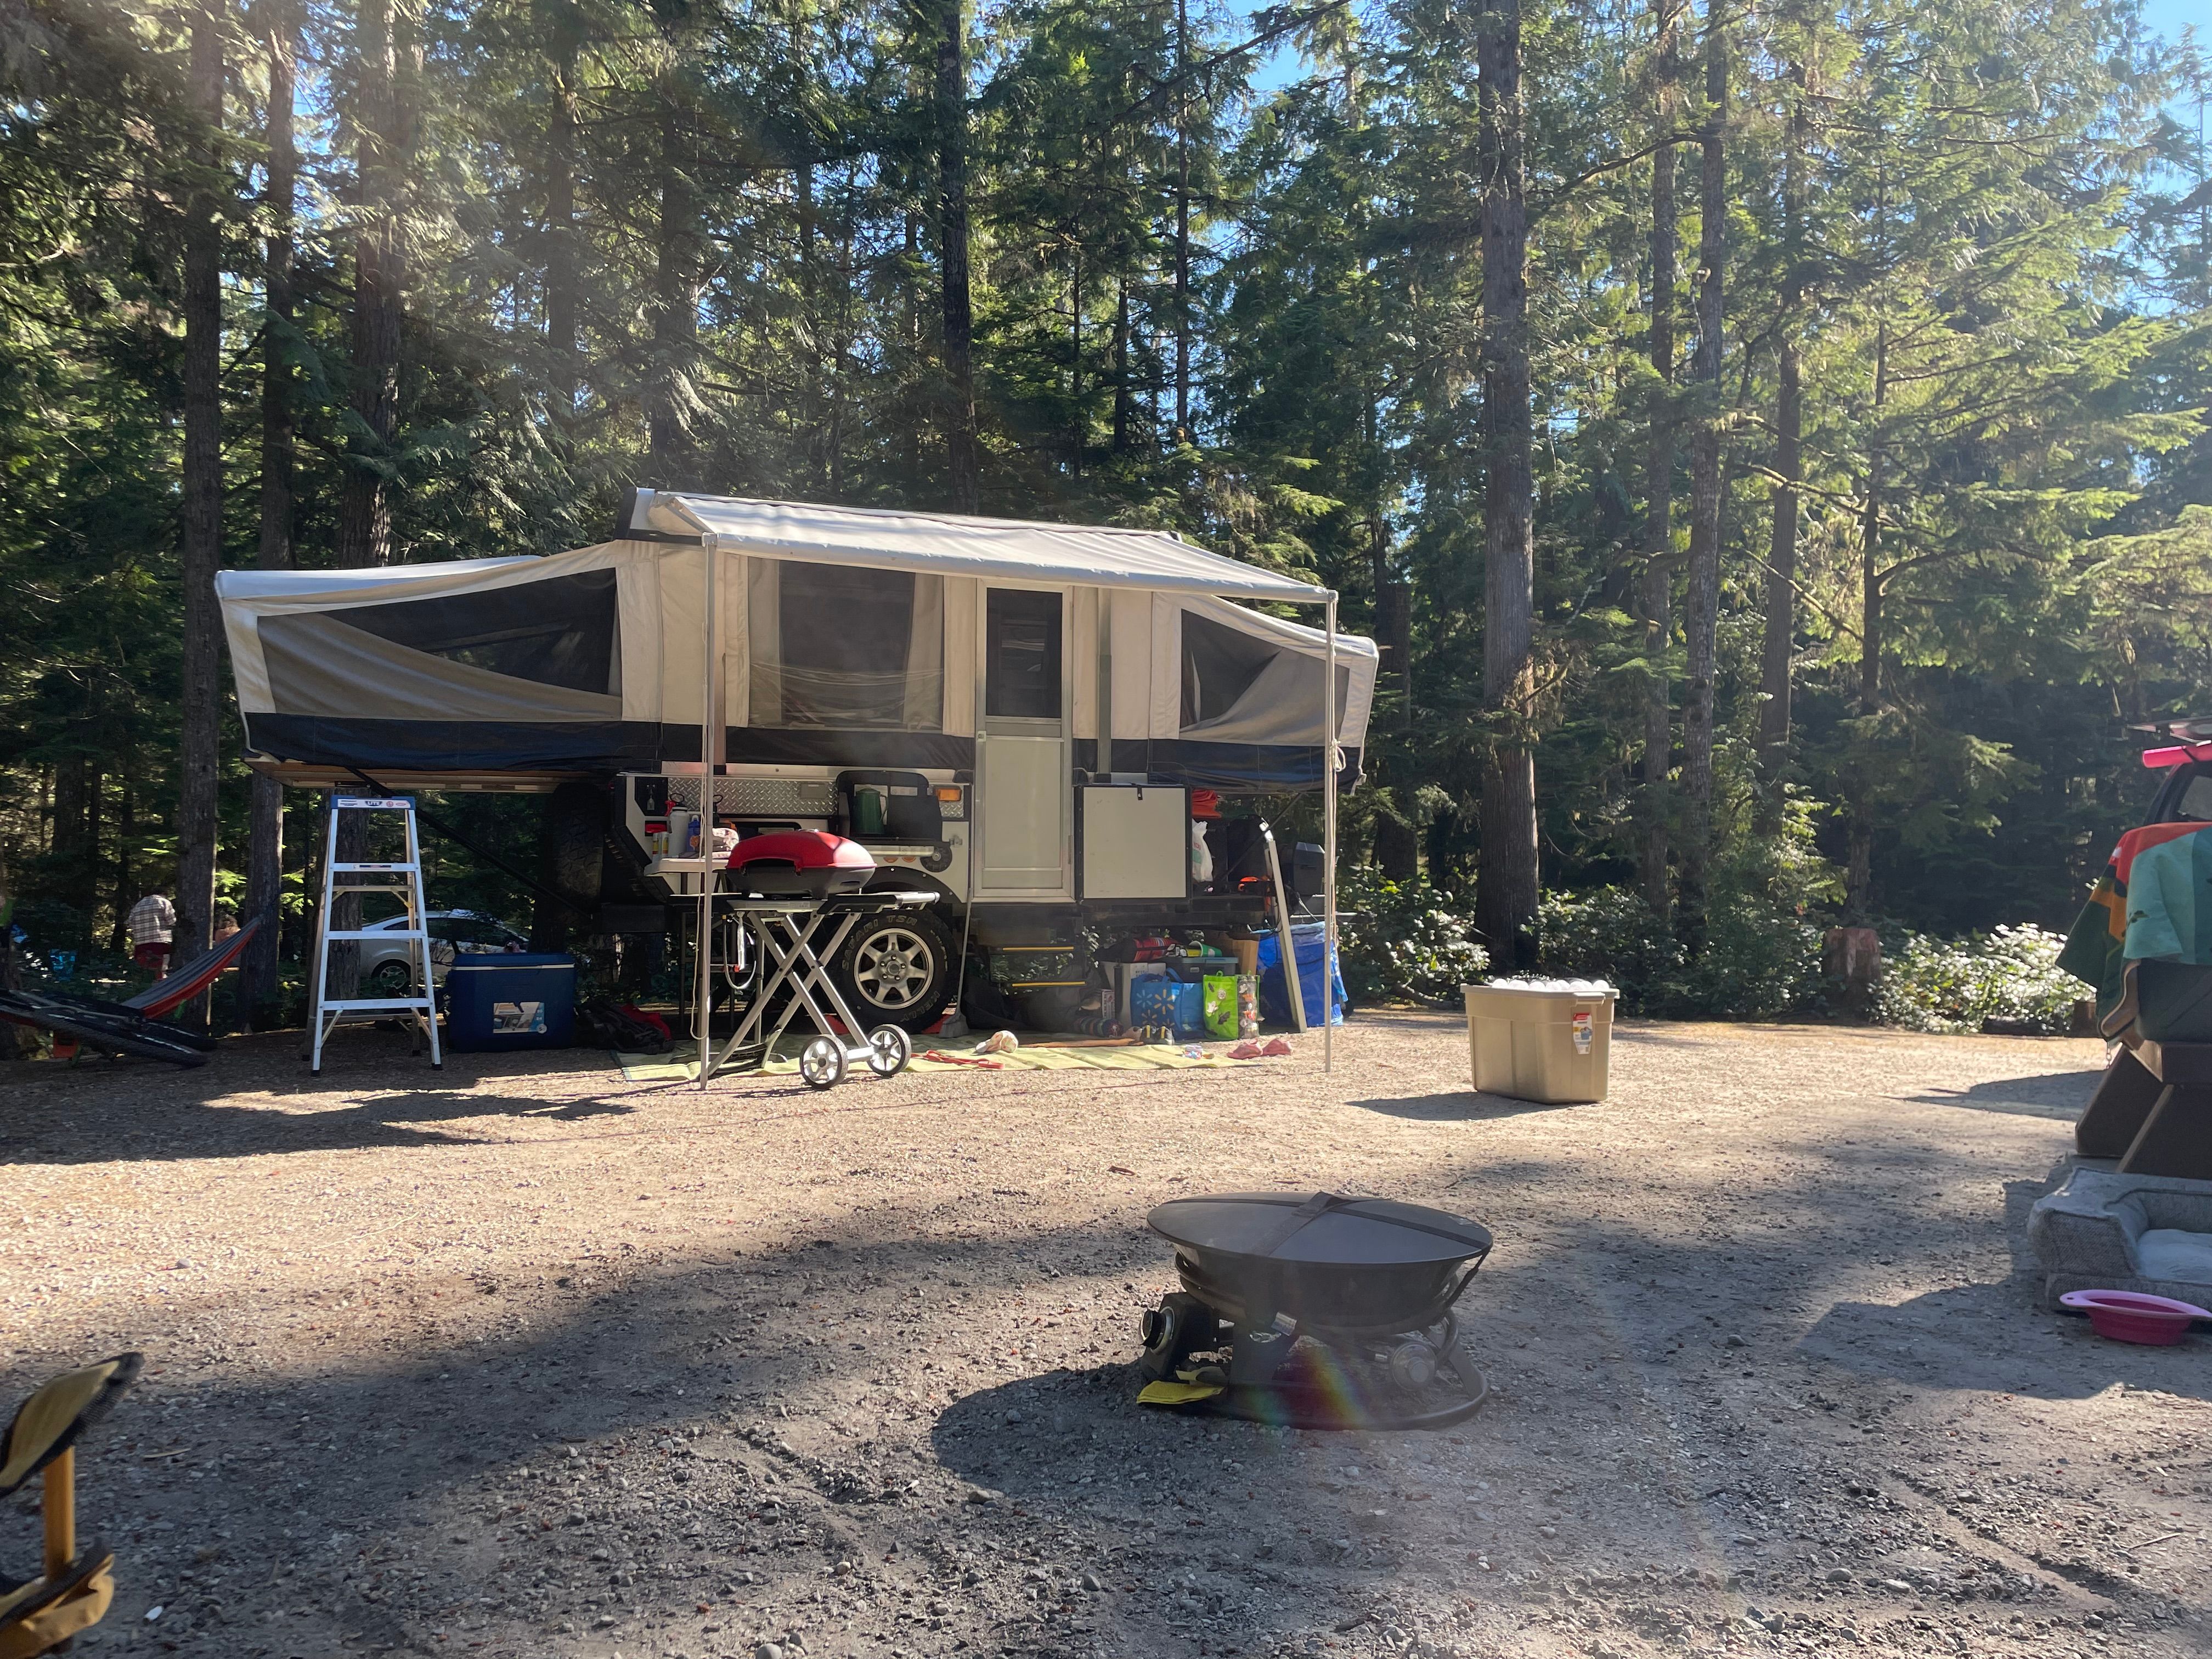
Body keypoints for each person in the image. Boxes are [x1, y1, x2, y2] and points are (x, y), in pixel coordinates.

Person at [126, 888, 175, 972]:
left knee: (144, 969)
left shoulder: (138, 905)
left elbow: (130, 923)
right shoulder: (164, 902)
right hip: (160, 941)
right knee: (160, 969)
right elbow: (172, 921)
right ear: (164, 894)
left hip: (141, 943)